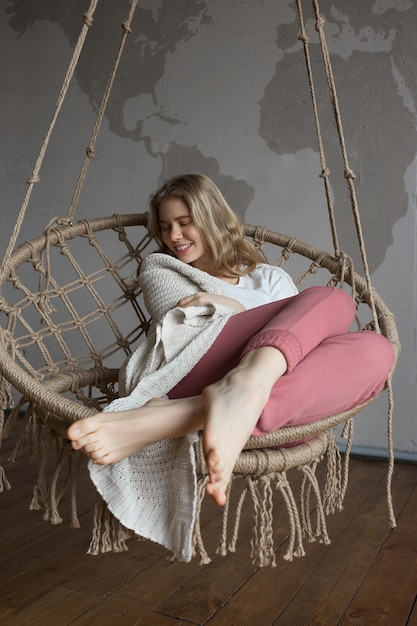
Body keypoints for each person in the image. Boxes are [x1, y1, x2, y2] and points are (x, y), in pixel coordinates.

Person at [67, 173, 395, 507]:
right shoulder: (162, 268)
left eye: (185, 222)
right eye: (165, 227)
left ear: (213, 218)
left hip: (265, 421)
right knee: (333, 299)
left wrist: (229, 304)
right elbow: (190, 326)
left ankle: (188, 413)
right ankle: (242, 385)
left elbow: (306, 345)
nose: (174, 236)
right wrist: (237, 309)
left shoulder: (270, 278)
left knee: (377, 350)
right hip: (190, 373)